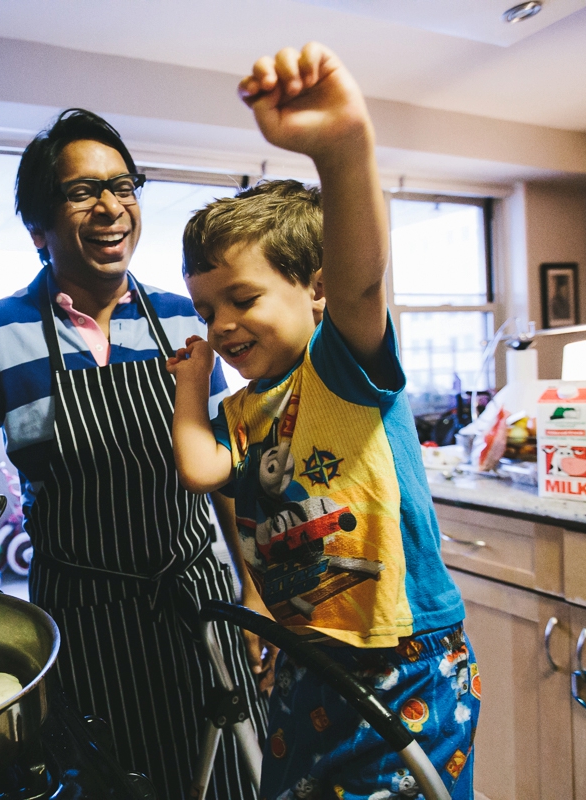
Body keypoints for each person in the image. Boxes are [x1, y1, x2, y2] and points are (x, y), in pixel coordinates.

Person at [0, 109, 267, 799]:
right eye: (83, 192)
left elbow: (223, 466)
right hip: (83, 616)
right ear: (39, 227)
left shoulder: (185, 320)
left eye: (124, 185)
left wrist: (251, 589)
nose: (111, 206)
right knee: (108, 782)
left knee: (222, 778)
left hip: (194, 603)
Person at [167, 44, 479, 799]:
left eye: (243, 299)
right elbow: (201, 469)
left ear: (313, 290)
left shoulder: (339, 368)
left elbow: (361, 276)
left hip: (402, 651)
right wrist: (192, 387)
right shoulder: (240, 410)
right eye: (207, 308)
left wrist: (342, 151)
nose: (224, 323)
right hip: (307, 652)